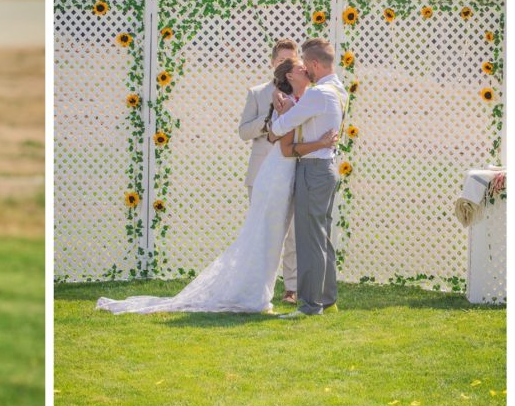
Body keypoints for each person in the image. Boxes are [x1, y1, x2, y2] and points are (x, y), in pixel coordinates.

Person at [96, 55, 337, 315]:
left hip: (285, 175)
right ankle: (252, 294)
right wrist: (321, 144)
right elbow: (287, 148)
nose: (306, 70)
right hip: (279, 176)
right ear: (290, 76)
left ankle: (262, 291)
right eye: (301, 68)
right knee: (266, 236)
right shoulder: (288, 103)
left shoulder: (302, 99)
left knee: (269, 236)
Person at [269, 38, 347, 318]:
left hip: (312, 170)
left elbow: (281, 126)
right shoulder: (339, 90)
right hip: (326, 169)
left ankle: (309, 306)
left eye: (305, 63)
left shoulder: (318, 94)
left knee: (309, 239)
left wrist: (281, 111)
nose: (304, 68)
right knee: (322, 238)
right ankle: (327, 299)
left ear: (315, 64)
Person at [239, 38, 299, 304]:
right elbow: (243, 131)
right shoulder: (257, 93)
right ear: (273, 63)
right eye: (281, 61)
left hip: (292, 169)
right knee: (262, 232)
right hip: (262, 171)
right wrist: (267, 122)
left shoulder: (305, 92)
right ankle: (259, 286)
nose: (285, 66)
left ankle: (291, 288)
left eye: (291, 61)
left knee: (294, 234)